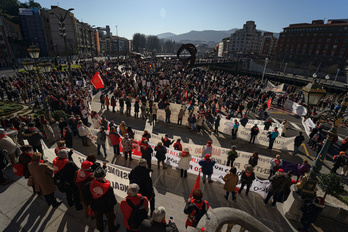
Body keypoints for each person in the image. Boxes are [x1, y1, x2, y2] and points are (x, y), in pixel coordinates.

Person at [84, 167, 120, 232]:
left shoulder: (88, 185)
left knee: (98, 218)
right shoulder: (109, 188)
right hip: (107, 208)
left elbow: (87, 196)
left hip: (95, 206)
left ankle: (100, 228)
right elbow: (112, 201)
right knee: (111, 219)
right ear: (104, 176)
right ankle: (112, 229)